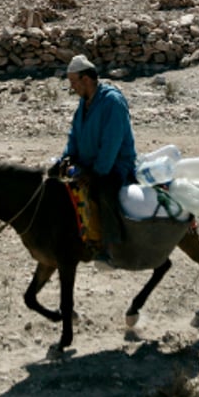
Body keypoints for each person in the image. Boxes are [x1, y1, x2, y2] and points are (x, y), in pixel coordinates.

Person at [57, 54, 137, 260]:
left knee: (102, 192)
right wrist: (66, 158)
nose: (72, 88)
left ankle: (109, 245)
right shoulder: (83, 105)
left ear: (86, 79)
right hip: (87, 164)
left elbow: (111, 144)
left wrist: (96, 173)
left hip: (114, 166)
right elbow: (74, 136)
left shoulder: (112, 102)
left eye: (73, 82)